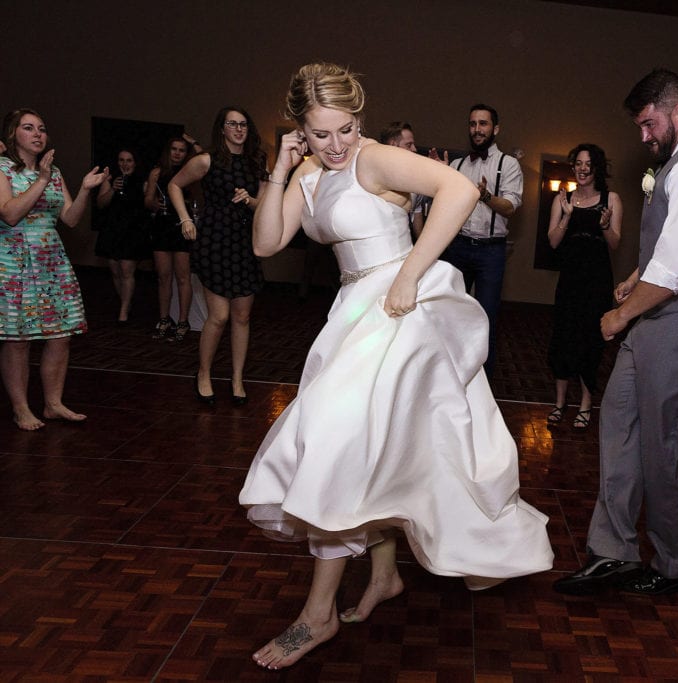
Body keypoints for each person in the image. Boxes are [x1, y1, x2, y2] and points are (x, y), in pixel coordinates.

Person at [238, 63, 552, 670]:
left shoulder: (374, 158)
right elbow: (266, 243)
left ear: (360, 118)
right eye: (321, 134)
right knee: (380, 451)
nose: (337, 146)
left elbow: (458, 192)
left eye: (346, 129)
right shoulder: (307, 171)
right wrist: (279, 167)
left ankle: (317, 616)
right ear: (301, 129)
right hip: (353, 312)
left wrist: (409, 274)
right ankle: (383, 578)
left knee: (336, 443)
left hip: (400, 314)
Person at [553, 69, 678, 597]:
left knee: (664, 442)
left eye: (648, 123)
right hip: (663, 311)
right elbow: (675, 246)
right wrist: (636, 280)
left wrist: (620, 316)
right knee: (618, 421)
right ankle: (612, 552)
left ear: (677, 111)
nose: (644, 135)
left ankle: (676, 562)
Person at [0, 108, 108, 430]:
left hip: (52, 262)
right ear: (13, 135)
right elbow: (9, 214)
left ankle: (53, 404)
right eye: (29, 128)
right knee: (17, 338)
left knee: (61, 335)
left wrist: (86, 189)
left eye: (42, 129)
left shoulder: (55, 171)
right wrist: (42, 180)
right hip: (15, 262)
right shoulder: (3, 168)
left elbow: (71, 219)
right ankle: (21, 408)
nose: (38, 134)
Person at [168, 106, 266, 406]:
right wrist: (185, 219)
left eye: (243, 124)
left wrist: (250, 200)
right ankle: (204, 373)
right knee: (219, 316)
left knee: (242, 315)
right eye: (232, 124)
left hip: (244, 243)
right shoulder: (206, 160)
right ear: (221, 128)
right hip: (214, 242)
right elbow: (174, 185)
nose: (238, 129)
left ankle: (237, 379)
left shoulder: (256, 162)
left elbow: (264, 206)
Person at [440, 104, 523, 376]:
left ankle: (480, 380)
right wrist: (439, 179)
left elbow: (510, 206)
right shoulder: (458, 164)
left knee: (485, 317)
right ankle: (448, 373)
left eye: (483, 124)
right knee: (451, 312)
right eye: (473, 123)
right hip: (459, 247)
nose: (477, 129)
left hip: (491, 253)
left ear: (495, 129)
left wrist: (486, 197)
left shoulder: (508, 165)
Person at [546, 143, 622, 430]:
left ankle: (587, 404)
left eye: (588, 163)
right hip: (569, 281)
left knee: (591, 340)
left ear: (597, 167)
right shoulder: (562, 199)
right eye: (577, 163)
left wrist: (604, 225)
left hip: (597, 282)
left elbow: (615, 243)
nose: (582, 168)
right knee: (563, 337)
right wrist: (566, 215)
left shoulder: (611, 198)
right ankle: (560, 402)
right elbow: (553, 242)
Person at [145, 136, 199, 341]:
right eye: (174, 149)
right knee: (163, 277)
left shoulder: (191, 173)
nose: (177, 153)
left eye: (181, 150)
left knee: (183, 277)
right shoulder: (156, 173)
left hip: (183, 227)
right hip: (162, 226)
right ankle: (164, 319)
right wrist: (154, 204)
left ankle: (183, 321)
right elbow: (148, 200)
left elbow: (197, 201)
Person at [94, 148, 150, 324]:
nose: (125, 164)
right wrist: (112, 189)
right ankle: (126, 302)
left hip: (132, 231)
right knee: (115, 269)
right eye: (121, 160)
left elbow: (148, 206)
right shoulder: (111, 179)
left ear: (135, 162)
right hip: (113, 229)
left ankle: (123, 311)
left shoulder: (143, 181)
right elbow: (101, 204)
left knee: (127, 270)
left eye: (129, 160)